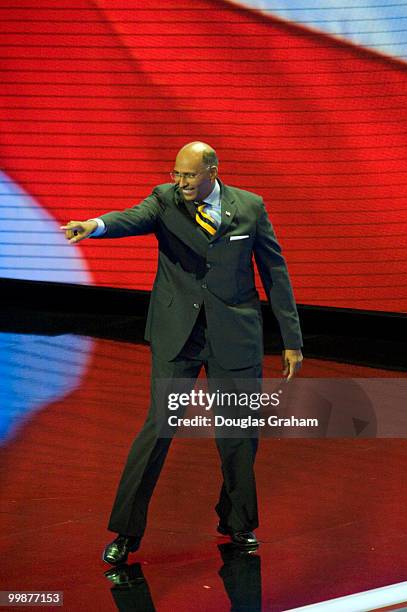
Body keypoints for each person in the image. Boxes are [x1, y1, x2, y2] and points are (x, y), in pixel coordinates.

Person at [61, 141, 303, 564]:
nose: (181, 181)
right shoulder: (164, 200)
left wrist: (291, 339)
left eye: (189, 175)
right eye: (177, 174)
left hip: (234, 334)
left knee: (239, 433)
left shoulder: (250, 207)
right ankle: (126, 531)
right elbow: (131, 219)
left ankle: (238, 523)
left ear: (212, 170)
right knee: (159, 427)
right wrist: (96, 225)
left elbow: (275, 273)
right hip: (179, 334)